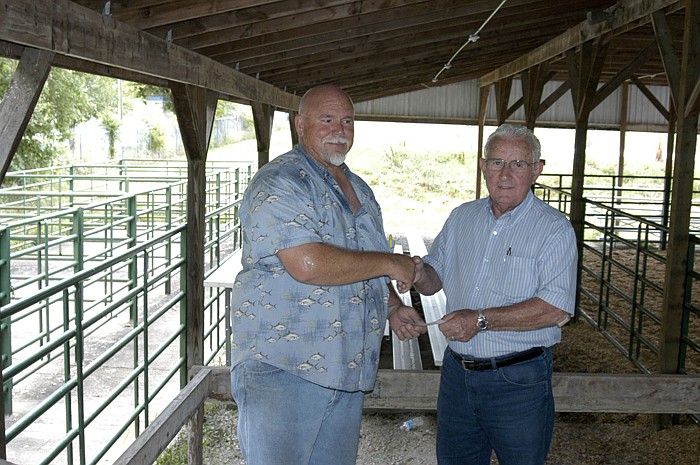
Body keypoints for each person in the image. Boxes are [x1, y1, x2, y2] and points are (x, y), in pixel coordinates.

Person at [229, 84, 427, 465]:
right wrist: (390, 262)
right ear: (300, 124)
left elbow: (358, 260)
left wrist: (390, 307)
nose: (341, 128)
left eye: (348, 120)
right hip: (284, 368)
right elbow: (308, 263)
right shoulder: (280, 182)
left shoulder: (359, 189)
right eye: (327, 119)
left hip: (346, 369)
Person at [412, 124, 578, 465]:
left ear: (536, 170)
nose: (505, 173)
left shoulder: (554, 229)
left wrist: (482, 321)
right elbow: (434, 278)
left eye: (518, 164)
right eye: (497, 162)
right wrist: (415, 273)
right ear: (483, 166)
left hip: (518, 380)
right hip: (457, 375)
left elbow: (556, 309)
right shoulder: (462, 217)